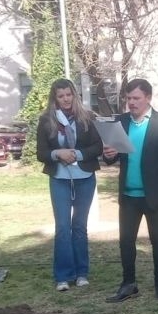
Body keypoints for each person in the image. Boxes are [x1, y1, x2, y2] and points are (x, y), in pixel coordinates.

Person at [103, 78, 158, 303]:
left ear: (148, 98)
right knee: (126, 242)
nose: (131, 102)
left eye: (136, 98)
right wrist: (109, 154)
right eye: (128, 98)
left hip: (155, 197)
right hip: (128, 196)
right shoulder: (120, 122)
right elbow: (112, 157)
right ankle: (129, 285)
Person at [36, 79, 104, 292]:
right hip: (60, 179)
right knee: (63, 227)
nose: (66, 99)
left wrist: (78, 154)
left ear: (74, 95)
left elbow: (98, 146)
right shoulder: (46, 120)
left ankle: (82, 273)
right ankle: (63, 276)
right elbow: (41, 153)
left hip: (84, 177)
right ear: (55, 98)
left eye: (68, 94)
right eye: (61, 96)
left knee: (80, 226)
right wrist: (58, 153)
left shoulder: (87, 117)